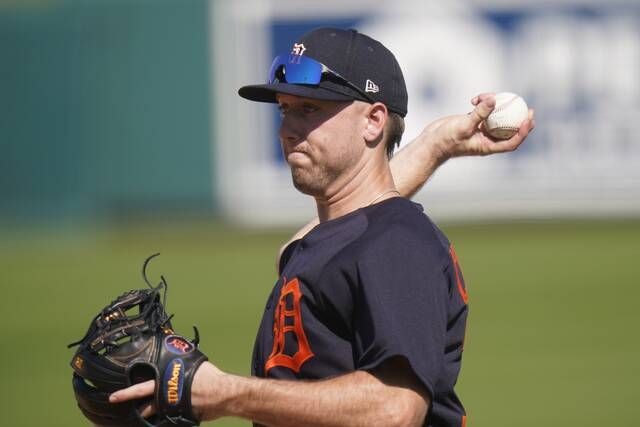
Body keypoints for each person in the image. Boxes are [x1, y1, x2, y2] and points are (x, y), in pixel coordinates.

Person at [110, 27, 534, 426]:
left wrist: (227, 394)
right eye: (285, 110)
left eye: (309, 109)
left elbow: (395, 408)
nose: (287, 130)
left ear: (373, 121)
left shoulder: (397, 242)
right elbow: (309, 248)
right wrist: (434, 145)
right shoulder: (332, 241)